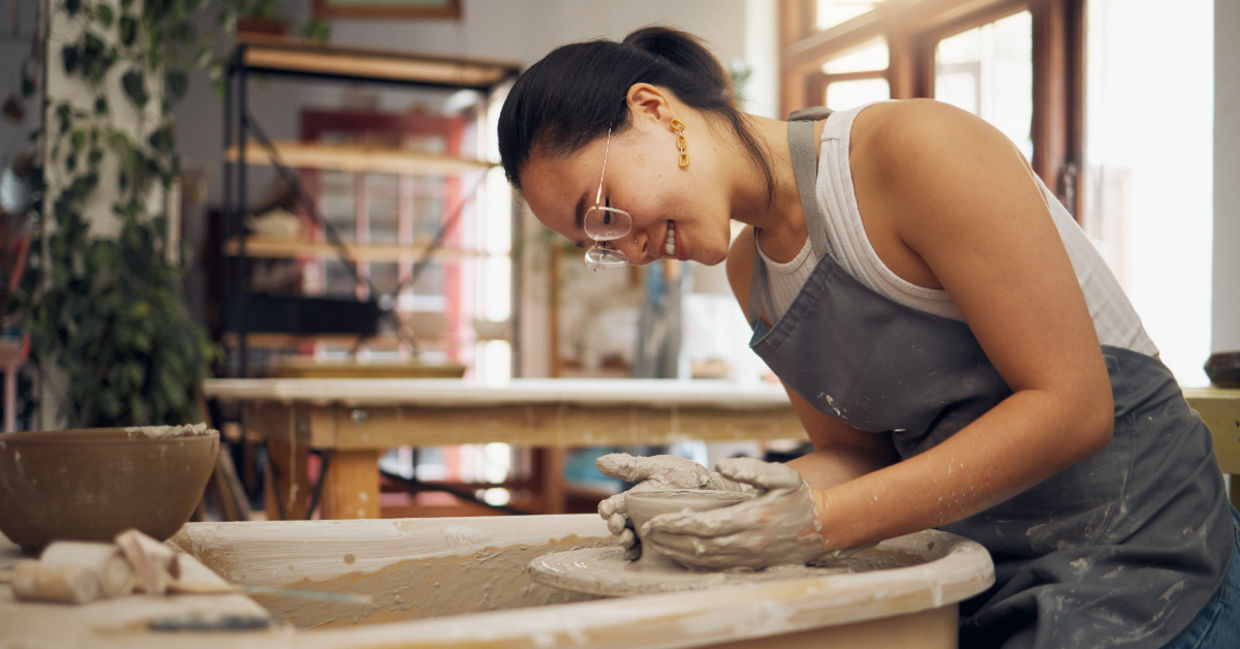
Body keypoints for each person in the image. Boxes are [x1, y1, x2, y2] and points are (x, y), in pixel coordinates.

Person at [496, 25, 1240, 649]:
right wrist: (722, 501)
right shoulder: (751, 271)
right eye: (594, 242)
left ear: (653, 110)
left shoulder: (909, 151)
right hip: (992, 565)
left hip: (1151, 553)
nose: (623, 249)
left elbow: (1075, 406)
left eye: (602, 210)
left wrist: (817, 522)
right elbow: (860, 453)